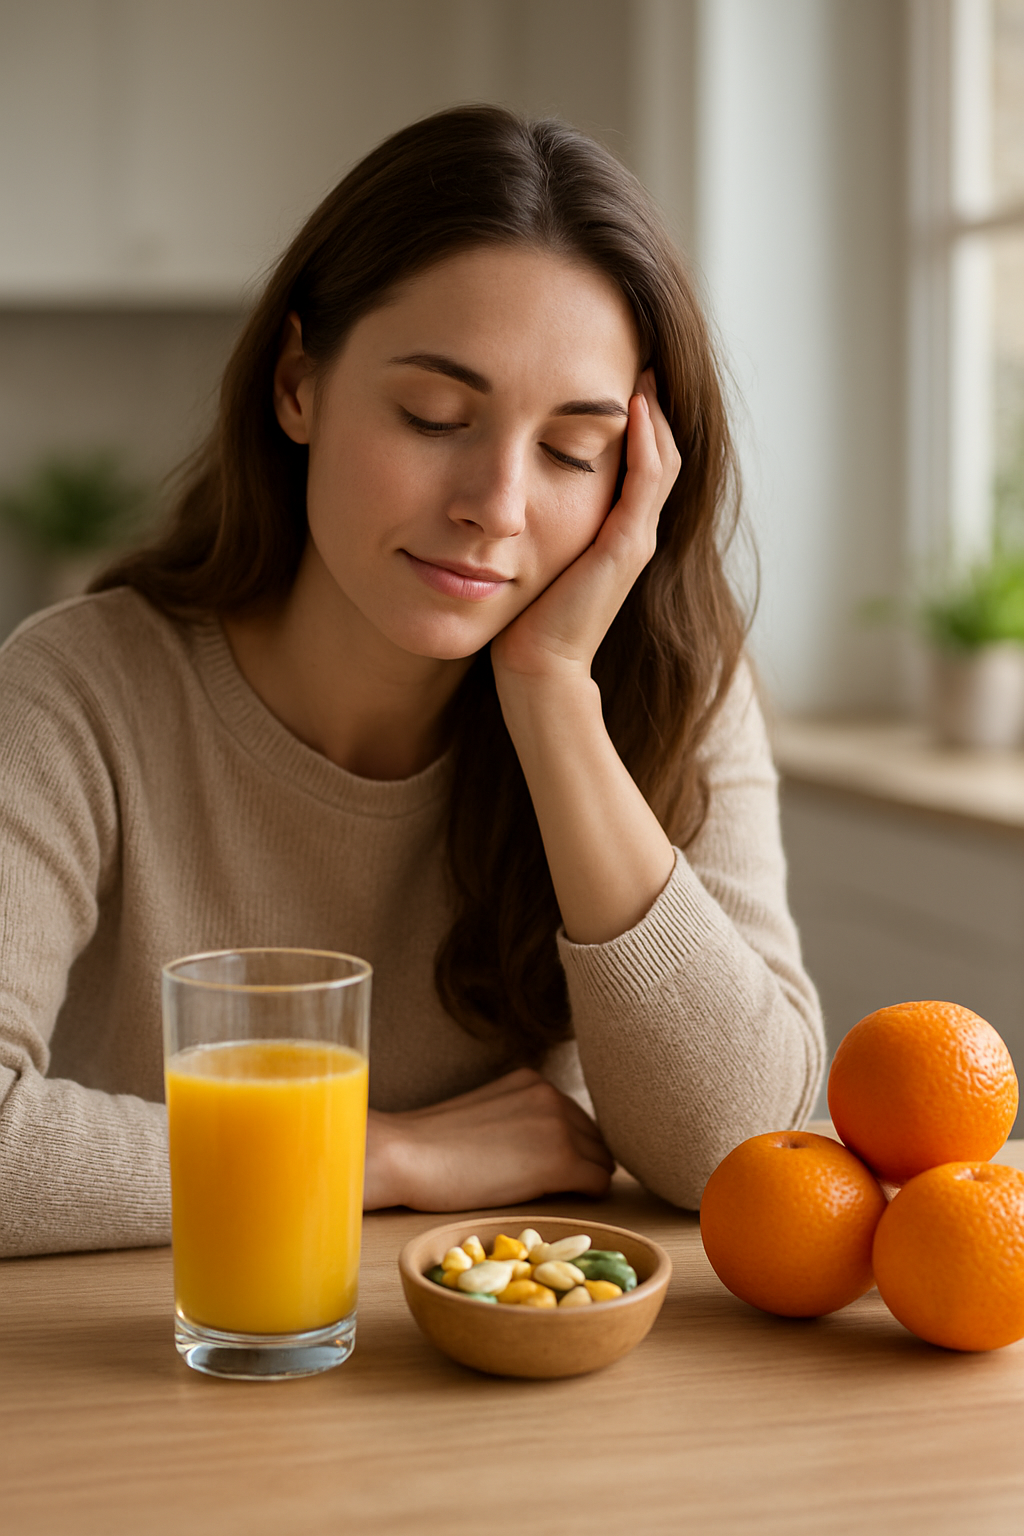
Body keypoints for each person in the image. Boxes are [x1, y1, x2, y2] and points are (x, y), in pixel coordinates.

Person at [0, 105, 824, 1257]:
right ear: (298, 384)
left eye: (571, 451)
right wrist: (379, 1152)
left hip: (512, 1403)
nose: (495, 501)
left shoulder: (669, 685)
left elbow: (739, 1151)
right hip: (160, 1370)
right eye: (435, 414)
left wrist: (550, 698)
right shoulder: (74, 695)